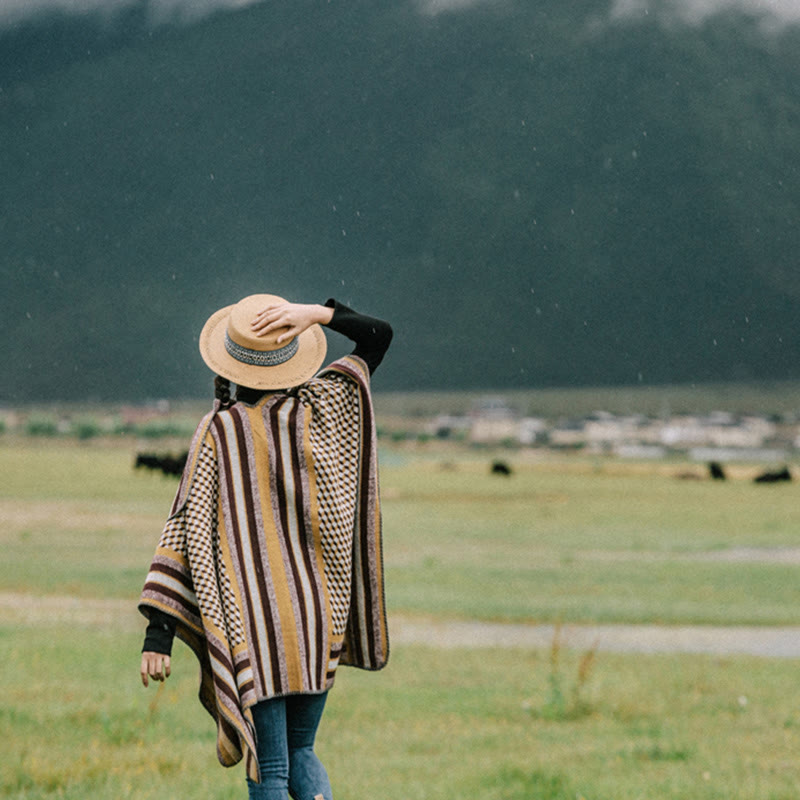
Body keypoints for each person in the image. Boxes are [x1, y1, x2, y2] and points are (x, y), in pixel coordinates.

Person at [138, 294, 392, 800]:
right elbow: (378, 335)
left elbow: (184, 525)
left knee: (270, 766)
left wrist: (159, 632)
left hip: (257, 625)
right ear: (294, 354)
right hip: (321, 620)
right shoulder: (329, 406)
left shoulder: (222, 431)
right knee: (303, 752)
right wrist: (317, 314)